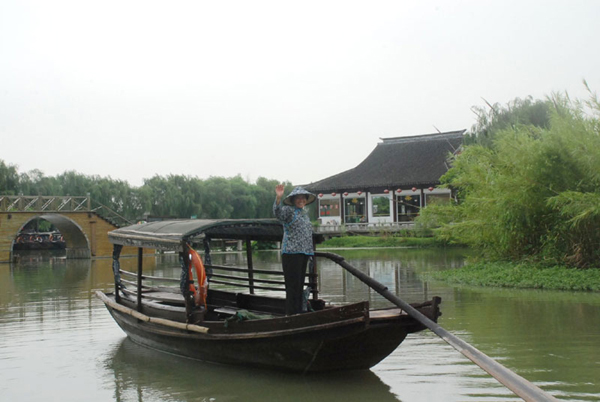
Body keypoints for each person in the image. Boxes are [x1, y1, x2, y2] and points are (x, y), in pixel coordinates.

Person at [273, 185, 316, 315]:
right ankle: (291, 314)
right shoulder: (289, 211)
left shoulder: (305, 214)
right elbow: (277, 213)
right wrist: (278, 197)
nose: (301, 200)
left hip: (303, 253)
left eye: (303, 198)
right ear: (293, 200)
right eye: (298, 198)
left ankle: (298, 312)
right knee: (292, 286)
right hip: (291, 253)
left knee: (299, 285)